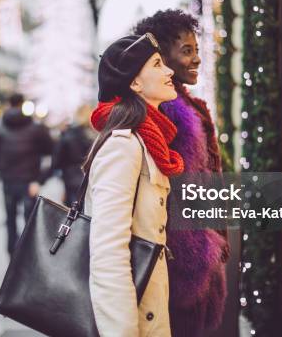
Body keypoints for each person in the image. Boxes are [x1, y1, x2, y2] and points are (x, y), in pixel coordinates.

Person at [134, 9, 230, 336]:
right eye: (186, 51)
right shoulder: (164, 110)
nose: (196, 59)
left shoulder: (191, 107)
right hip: (181, 261)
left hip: (200, 251)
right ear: (160, 58)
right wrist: (198, 257)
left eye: (196, 50)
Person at [83, 33, 184, 336]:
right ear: (135, 84)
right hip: (134, 322)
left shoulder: (149, 142)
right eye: (157, 64)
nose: (169, 72)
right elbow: (108, 253)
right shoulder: (123, 146)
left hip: (151, 310)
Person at [0, 94, 53, 256]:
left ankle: (12, 252)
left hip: (8, 181)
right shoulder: (35, 128)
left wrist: (2, 171)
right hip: (30, 181)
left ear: (9, 104)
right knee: (29, 221)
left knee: (10, 219)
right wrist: (39, 178)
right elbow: (51, 150)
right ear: (23, 105)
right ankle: (27, 254)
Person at [51, 105, 95, 206]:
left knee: (72, 211)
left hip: (70, 178)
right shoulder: (94, 135)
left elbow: (57, 160)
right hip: (88, 177)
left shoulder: (68, 134)